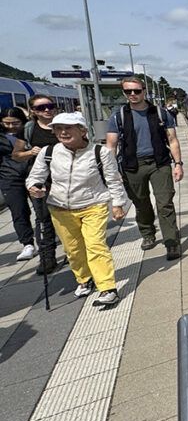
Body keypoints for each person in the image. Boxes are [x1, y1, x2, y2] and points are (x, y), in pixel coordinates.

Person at [26, 112, 129, 305]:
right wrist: (34, 187)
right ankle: (84, 279)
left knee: (95, 245)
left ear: (82, 130)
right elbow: (35, 176)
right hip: (60, 208)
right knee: (73, 249)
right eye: (58, 129)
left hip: (93, 205)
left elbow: (113, 180)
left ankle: (107, 288)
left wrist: (118, 204)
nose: (62, 132)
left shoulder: (100, 152)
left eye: (68, 128)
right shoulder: (48, 152)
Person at [105, 76, 184, 260]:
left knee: (165, 203)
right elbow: (111, 145)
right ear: (124, 93)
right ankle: (148, 233)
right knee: (141, 203)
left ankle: (172, 242)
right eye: (128, 91)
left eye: (136, 91)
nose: (132, 94)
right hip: (132, 166)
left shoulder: (160, 113)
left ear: (144, 91)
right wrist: (112, 169)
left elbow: (172, 140)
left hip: (159, 163)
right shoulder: (119, 117)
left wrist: (178, 164)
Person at [12, 94, 60, 274]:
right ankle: (47, 259)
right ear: (33, 111)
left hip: (66, 178)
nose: (47, 110)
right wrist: (30, 152)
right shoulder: (28, 129)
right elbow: (16, 154)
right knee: (43, 219)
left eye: (49, 105)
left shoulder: (64, 124)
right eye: (41, 108)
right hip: (42, 180)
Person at [1, 107, 37, 261]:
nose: (11, 126)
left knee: (42, 208)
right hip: (9, 177)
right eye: (6, 123)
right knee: (18, 211)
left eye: (15, 123)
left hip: (32, 173)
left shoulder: (31, 132)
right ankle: (27, 243)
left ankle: (48, 235)